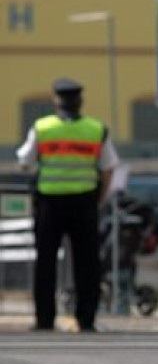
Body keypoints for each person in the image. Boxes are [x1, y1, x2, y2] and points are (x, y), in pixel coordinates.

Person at [16, 77, 119, 331]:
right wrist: (99, 199)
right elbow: (108, 170)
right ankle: (86, 319)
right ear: (80, 101)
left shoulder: (42, 128)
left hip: (50, 204)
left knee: (46, 264)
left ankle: (44, 320)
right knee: (87, 264)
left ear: (56, 101)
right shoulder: (96, 129)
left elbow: (25, 162)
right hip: (84, 203)